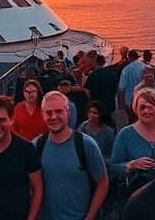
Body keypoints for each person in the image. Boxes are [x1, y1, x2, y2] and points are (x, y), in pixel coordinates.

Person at [35, 91, 109, 220]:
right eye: (48, 112)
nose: (53, 117)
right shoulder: (37, 145)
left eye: (59, 111)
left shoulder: (86, 145)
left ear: (68, 113)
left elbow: (103, 183)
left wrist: (90, 216)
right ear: (42, 115)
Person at [111, 88, 155, 209]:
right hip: (135, 201)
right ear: (136, 109)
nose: (146, 111)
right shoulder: (126, 134)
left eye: (151, 107)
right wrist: (131, 165)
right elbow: (112, 167)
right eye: (142, 107)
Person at [84, 54, 119, 123]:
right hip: (109, 105)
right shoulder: (112, 75)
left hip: (96, 104)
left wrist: (91, 98)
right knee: (108, 124)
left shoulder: (92, 75)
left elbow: (86, 88)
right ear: (104, 62)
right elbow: (116, 90)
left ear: (96, 62)